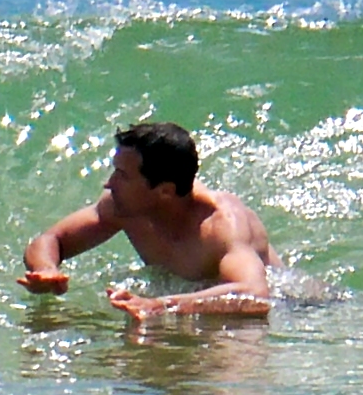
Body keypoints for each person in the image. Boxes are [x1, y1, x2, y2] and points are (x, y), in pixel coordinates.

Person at [17, 122, 282, 321]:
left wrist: (161, 305)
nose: (109, 183)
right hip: (191, 300)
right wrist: (47, 269)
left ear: (165, 191)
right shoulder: (122, 206)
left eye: (123, 175)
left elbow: (256, 295)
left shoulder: (222, 225)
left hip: (290, 310)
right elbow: (52, 239)